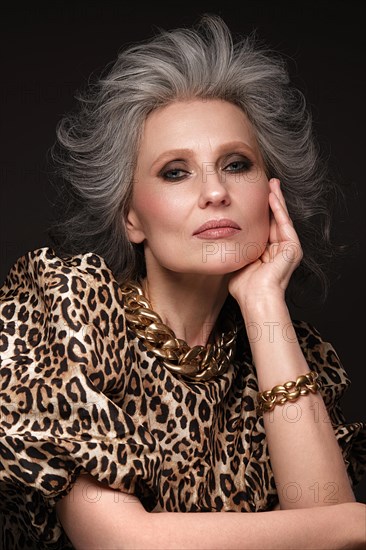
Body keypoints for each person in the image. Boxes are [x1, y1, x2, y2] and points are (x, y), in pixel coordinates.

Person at [0, 13, 365, 550]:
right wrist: (356, 520)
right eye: (176, 171)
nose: (215, 192)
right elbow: (121, 542)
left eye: (237, 164)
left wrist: (264, 301)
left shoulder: (280, 353)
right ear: (131, 218)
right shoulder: (66, 309)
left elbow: (329, 535)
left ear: (271, 194)